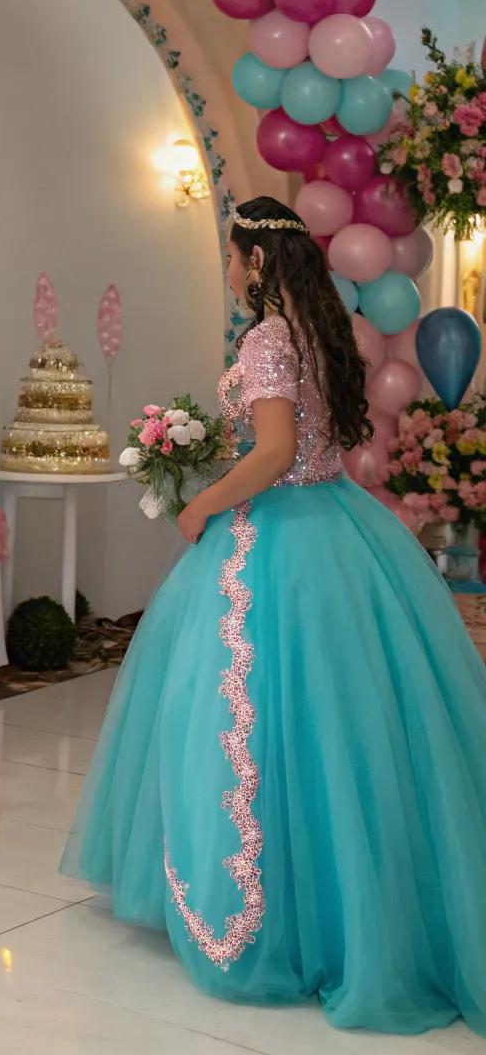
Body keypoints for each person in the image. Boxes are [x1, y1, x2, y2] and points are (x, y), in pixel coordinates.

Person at [62, 195, 486, 1035]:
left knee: (241, 723)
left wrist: (202, 506)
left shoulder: (265, 339)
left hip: (272, 543)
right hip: (341, 528)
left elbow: (275, 452)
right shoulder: (320, 335)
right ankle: (357, 904)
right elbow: (309, 446)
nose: (227, 270)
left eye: (231, 256)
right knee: (342, 727)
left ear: (256, 262)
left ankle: (268, 920)